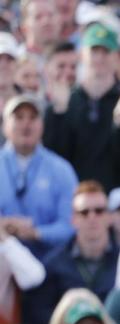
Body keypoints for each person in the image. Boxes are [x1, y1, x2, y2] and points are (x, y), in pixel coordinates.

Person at [42, 23, 120, 192]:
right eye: (94, 51)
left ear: (117, 57)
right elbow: (54, 159)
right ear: (82, 54)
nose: (99, 58)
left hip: (118, 198)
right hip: (74, 198)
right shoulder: (66, 102)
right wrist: (59, 114)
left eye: (106, 51)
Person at [23, 182, 119, 324]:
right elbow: (39, 313)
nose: (92, 217)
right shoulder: (53, 263)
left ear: (109, 217)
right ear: (73, 219)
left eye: (99, 211)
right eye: (84, 212)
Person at [0, 95, 77, 254]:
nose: (26, 124)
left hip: (49, 261)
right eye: (19, 117)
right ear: (4, 125)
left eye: (33, 117)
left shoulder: (61, 169)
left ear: (42, 125)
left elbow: (71, 223)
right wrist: (5, 224)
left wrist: (36, 233)